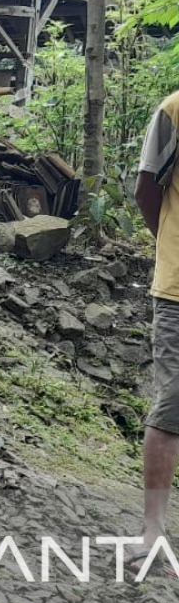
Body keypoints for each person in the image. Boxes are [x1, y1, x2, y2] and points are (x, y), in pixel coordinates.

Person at [133, 87, 179, 572]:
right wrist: (168, 246)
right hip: (178, 289)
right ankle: (153, 530)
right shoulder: (173, 109)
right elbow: (147, 188)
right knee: (172, 405)